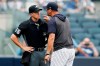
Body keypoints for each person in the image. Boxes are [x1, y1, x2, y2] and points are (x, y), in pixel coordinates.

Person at [44, 2, 75, 66]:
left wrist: (47, 53)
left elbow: (51, 37)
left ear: (50, 9)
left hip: (60, 51)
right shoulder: (66, 19)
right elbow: (59, 26)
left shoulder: (52, 20)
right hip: (71, 50)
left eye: (47, 9)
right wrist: (50, 22)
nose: (46, 11)